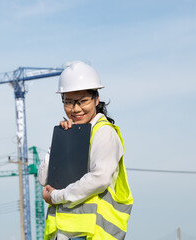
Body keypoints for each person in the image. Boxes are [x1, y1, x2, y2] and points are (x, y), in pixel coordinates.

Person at [38, 61, 133, 240]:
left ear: (96, 99)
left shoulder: (104, 132)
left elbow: (99, 178)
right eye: (68, 102)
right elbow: (44, 179)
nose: (75, 109)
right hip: (63, 233)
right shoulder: (72, 133)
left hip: (92, 234)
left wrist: (57, 196)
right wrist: (60, 141)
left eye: (82, 101)